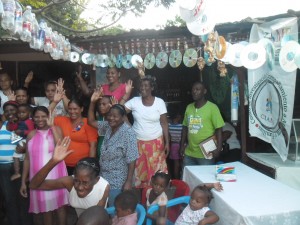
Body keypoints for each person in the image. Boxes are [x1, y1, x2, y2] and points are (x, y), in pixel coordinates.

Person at [29, 137, 110, 217]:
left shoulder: (103, 187)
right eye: (77, 181)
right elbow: (33, 185)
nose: (80, 187)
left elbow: (96, 217)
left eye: (85, 183)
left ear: (96, 180)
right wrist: (53, 161)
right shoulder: (70, 182)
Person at [88, 89, 139, 206]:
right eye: (110, 115)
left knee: (116, 209)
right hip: (104, 178)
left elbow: (132, 159)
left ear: (123, 118)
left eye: (115, 116)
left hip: (119, 181)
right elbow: (91, 121)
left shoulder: (128, 133)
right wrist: (92, 102)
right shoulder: (108, 126)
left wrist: (128, 182)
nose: (111, 118)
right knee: (104, 209)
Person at [20, 106, 68, 225]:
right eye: (37, 116)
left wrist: (52, 127)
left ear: (49, 117)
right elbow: (27, 159)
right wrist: (23, 182)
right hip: (38, 179)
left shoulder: (56, 129)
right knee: (45, 210)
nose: (40, 119)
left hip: (57, 177)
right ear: (33, 118)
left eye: (43, 116)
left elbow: (61, 147)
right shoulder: (31, 135)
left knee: (60, 207)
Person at [124, 75, 169, 188]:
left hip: (156, 143)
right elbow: (120, 112)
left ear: (152, 88)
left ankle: (156, 197)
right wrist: (129, 127)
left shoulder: (159, 102)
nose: (142, 88)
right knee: (140, 172)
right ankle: (142, 198)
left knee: (157, 172)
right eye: (141, 85)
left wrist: (167, 142)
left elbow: (164, 123)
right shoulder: (134, 101)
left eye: (146, 86)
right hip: (138, 143)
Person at [0, 101, 33, 225]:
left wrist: (26, 146)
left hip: (20, 165)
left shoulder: (22, 124)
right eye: (6, 111)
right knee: (9, 198)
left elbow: (31, 139)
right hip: (3, 168)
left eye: (12, 110)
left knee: (23, 197)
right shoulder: (2, 125)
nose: (9, 113)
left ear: (18, 112)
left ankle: (26, 222)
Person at [52, 90, 98, 175]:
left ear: (81, 109)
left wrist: (90, 166)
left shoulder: (88, 123)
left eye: (75, 109)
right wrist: (55, 102)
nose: (72, 111)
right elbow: (44, 116)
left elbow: (93, 146)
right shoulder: (62, 120)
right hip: (63, 164)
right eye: (70, 109)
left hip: (82, 166)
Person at [180, 81, 224, 166]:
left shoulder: (212, 108)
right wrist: (181, 145)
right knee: (188, 178)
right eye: (193, 89)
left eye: (197, 89)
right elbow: (185, 128)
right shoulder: (189, 107)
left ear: (204, 91)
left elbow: (219, 129)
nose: (194, 91)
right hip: (189, 152)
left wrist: (218, 149)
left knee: (205, 178)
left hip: (206, 153)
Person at [11, 104, 35, 181]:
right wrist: (14, 122)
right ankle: (26, 175)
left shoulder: (29, 121)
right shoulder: (20, 121)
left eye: (23, 112)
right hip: (21, 139)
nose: (21, 114)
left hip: (27, 140)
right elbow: (13, 128)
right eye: (19, 113)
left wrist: (22, 132)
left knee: (16, 155)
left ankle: (17, 173)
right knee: (25, 158)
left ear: (29, 113)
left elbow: (32, 132)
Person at [168, 112, 183, 179]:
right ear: (178, 117)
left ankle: (176, 178)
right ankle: (180, 177)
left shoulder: (168, 126)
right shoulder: (182, 126)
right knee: (181, 163)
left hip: (173, 146)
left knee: (175, 164)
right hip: (182, 145)